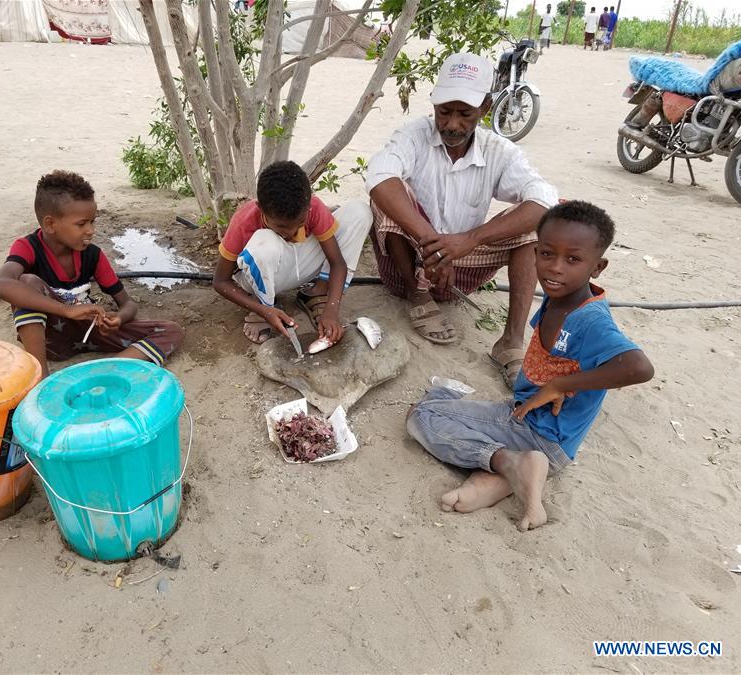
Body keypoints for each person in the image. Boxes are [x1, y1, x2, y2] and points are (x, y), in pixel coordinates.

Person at [406, 201, 654, 531]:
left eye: (573, 259)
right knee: (439, 402)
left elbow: (639, 368)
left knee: (422, 416)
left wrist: (559, 386)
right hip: (538, 430)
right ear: (535, 252)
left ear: (598, 267)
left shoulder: (590, 320)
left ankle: (507, 462)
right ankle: (510, 476)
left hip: (539, 434)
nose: (556, 268)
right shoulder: (562, 296)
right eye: (547, 254)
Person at [366, 52, 558, 388]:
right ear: (434, 106)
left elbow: (544, 200)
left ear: (485, 108)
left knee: (535, 227)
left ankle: (511, 342)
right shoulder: (414, 135)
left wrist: (468, 240)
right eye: (445, 112)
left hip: (463, 274)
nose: (452, 124)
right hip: (407, 267)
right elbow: (380, 177)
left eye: (464, 114)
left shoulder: (499, 151)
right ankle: (418, 298)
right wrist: (435, 245)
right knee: (386, 196)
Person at [0, 171, 184, 377]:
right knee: (27, 282)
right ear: (50, 224)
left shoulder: (93, 255)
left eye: (92, 221)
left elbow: (128, 304)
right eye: (81, 224)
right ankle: (40, 379)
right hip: (51, 338)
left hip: (90, 331)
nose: (90, 230)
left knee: (171, 330)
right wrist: (65, 310)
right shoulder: (27, 247)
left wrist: (118, 318)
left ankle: (103, 371)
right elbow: (0, 284)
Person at [214, 160, 372, 344]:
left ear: (308, 207)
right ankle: (265, 305)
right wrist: (262, 310)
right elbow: (220, 281)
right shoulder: (244, 221)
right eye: (281, 226)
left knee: (360, 212)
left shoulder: (313, 207)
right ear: (261, 209)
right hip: (260, 275)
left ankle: (317, 292)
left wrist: (332, 309)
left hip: (299, 266)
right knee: (264, 242)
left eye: (300, 222)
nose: (291, 232)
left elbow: (337, 262)